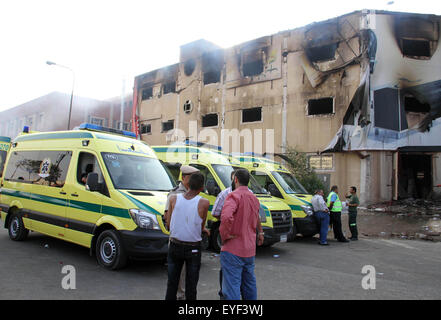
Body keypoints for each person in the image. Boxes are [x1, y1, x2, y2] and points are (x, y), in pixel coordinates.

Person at [219, 169, 264, 300]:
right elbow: (256, 218)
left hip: (233, 249)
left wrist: (225, 235)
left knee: (232, 287)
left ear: (236, 180)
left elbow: (226, 217)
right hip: (249, 249)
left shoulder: (233, 196)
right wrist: (260, 232)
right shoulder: (254, 198)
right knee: (249, 285)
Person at [165, 172, 210, 300]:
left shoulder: (173, 198)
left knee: (172, 283)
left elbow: (168, 224)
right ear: (202, 188)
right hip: (193, 249)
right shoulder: (204, 203)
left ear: (188, 184)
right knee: (191, 286)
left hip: (174, 245)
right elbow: (200, 226)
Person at [211, 169, 236, 299]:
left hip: (231, 236)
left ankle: (225, 294)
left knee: (227, 266)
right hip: (240, 239)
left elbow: (215, 213)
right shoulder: (250, 194)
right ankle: (225, 293)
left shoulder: (226, 194)